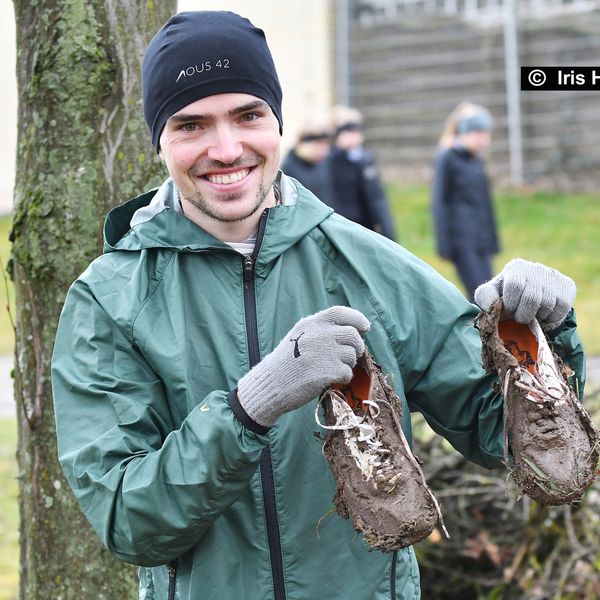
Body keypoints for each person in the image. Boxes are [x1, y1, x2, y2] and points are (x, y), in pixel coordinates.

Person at [50, 11, 584, 600]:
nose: (226, 149)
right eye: (191, 125)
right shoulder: (110, 301)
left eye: (248, 115)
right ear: (160, 140)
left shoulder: (371, 266)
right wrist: (249, 407)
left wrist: (540, 343)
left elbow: (505, 438)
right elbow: (129, 522)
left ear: (278, 121)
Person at [431, 101, 500, 301]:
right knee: (479, 297)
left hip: (481, 241)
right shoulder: (447, 158)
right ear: (464, 132)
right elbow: (439, 202)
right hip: (462, 242)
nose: (485, 140)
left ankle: (491, 332)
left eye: (487, 134)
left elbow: (486, 205)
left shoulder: (477, 161)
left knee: (493, 293)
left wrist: (492, 241)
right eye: (480, 133)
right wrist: (444, 245)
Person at [328, 105, 397, 240]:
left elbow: (377, 198)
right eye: (347, 129)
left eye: (356, 129)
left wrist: (386, 231)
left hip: (363, 228)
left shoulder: (364, 159)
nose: (354, 135)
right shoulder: (327, 162)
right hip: (339, 228)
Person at [280, 116, 335, 204]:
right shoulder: (288, 167)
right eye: (318, 144)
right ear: (303, 143)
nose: (324, 152)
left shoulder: (323, 163)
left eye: (326, 146)